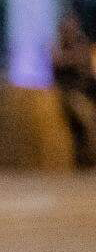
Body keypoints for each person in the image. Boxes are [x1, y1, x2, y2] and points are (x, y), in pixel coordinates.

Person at [52, 13, 96, 169]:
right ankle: (87, 158)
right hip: (69, 92)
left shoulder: (82, 45)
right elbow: (60, 61)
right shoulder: (57, 47)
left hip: (87, 91)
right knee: (86, 117)